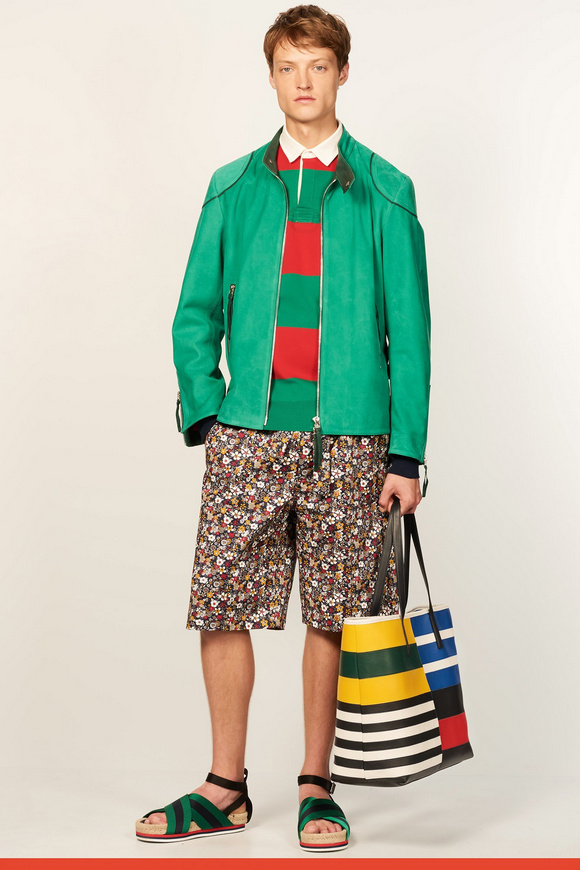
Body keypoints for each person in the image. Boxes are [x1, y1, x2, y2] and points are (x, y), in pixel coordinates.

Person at [135, 3, 430, 852]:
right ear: (271, 78)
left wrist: (405, 451)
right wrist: (209, 411)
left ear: (343, 74)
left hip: (354, 440)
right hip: (250, 435)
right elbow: (195, 312)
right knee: (222, 602)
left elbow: (410, 335)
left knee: (334, 613)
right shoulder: (233, 188)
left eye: (319, 66)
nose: (304, 82)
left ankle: (316, 786)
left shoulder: (385, 190)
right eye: (289, 67)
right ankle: (224, 787)